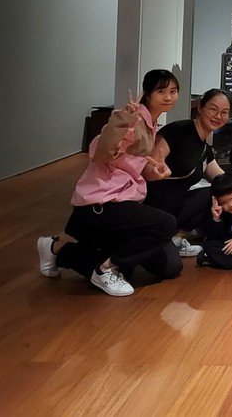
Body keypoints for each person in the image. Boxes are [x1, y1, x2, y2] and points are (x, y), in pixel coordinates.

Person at [36, 69, 183, 297]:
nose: (168, 97)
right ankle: (106, 269)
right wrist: (121, 120)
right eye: (161, 91)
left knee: (168, 266)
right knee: (165, 224)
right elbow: (101, 149)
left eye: (173, 91)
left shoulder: (151, 123)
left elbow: (130, 162)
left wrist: (153, 170)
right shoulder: (134, 119)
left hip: (124, 199)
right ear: (147, 93)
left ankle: (58, 250)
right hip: (102, 202)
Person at [143, 88, 232, 256]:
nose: (218, 116)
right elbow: (151, 167)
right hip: (155, 207)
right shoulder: (178, 130)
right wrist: (157, 170)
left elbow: (225, 180)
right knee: (212, 193)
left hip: (174, 208)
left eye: (224, 112)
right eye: (213, 109)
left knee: (219, 192)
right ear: (200, 107)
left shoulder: (204, 148)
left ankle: (175, 238)